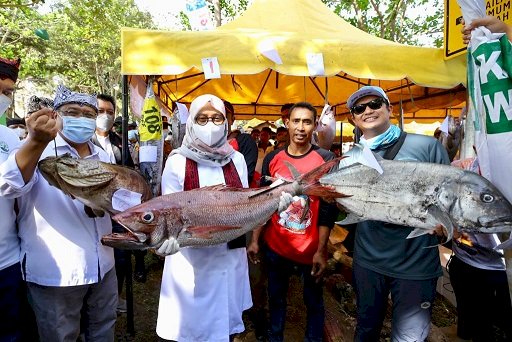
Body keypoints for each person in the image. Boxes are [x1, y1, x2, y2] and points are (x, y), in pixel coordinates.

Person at [1, 84, 118, 340]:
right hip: (57, 273)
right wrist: (35, 141)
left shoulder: (103, 156)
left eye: (89, 114)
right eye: (72, 112)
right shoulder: (36, 150)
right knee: (60, 335)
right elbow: (8, 184)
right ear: (56, 115)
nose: (82, 119)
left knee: (104, 328)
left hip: (104, 265)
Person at [342, 86, 449, 341]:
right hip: (368, 261)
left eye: (375, 104)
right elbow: (344, 206)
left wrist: (446, 224)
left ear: (389, 108)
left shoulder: (427, 146)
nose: (368, 110)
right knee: (366, 330)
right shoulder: (350, 158)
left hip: (415, 264)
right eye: (360, 108)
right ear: (354, 119)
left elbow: (448, 195)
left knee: (410, 337)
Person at [155, 94, 252, 341]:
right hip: (190, 259)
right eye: (202, 118)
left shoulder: (236, 159)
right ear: (191, 123)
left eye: (217, 118)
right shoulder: (177, 161)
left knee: (225, 326)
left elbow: (244, 202)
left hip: (229, 256)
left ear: (226, 122)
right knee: (192, 329)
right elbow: (168, 212)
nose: (210, 124)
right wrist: (166, 239)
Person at [247, 102, 338, 342]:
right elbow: (263, 202)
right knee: (276, 299)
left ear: (315, 126)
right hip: (276, 247)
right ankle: (275, 337)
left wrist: (321, 250)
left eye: (307, 122)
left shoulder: (325, 158)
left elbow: (328, 208)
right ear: (286, 123)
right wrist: (255, 239)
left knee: (314, 302)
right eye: (296, 121)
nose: (300, 127)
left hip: (309, 251)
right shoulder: (273, 158)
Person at [0, 56, 38, 341]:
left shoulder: (10, 138)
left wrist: (35, 143)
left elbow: (16, 187)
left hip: (7, 260)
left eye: (7, 92)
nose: (3, 97)